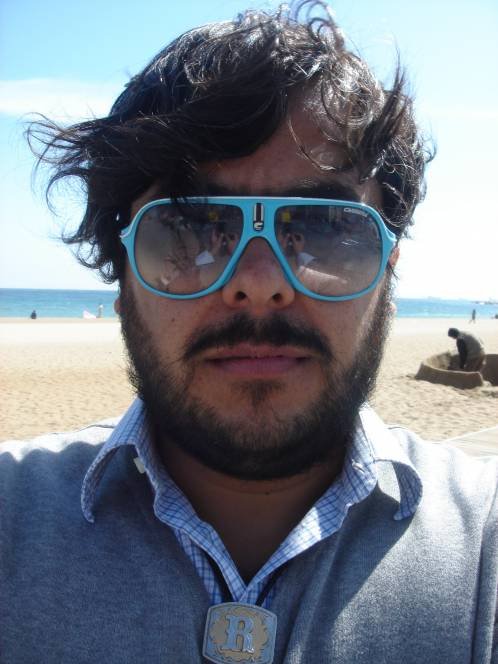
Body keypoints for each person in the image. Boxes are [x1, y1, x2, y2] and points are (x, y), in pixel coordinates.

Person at [1, 4, 496, 663]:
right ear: (122, 279)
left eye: (324, 228)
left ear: (388, 275)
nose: (258, 283)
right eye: (191, 226)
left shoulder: (484, 546)